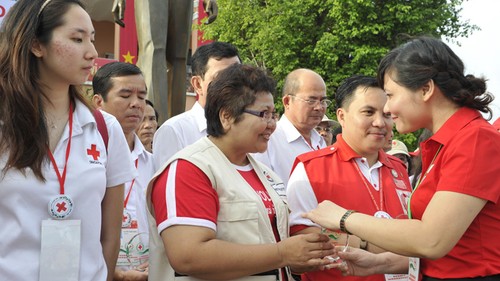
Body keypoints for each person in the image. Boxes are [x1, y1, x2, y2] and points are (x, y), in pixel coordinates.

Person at [303, 36, 500, 280]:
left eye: (391, 96)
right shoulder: (443, 144)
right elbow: (451, 249)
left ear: (426, 89)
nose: (387, 110)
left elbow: (432, 240)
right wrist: (378, 262)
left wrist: (344, 218)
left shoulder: (474, 138)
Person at [146, 64, 335, 280]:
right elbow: (188, 255)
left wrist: (303, 256)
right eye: (263, 114)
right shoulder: (189, 170)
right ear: (226, 116)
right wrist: (282, 254)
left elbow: (272, 247)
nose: (272, 124)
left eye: (273, 114)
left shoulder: (265, 175)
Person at [0, 1, 136, 281]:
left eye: (93, 39)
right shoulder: (5, 126)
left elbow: (110, 237)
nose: (93, 53)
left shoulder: (105, 128)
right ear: (36, 45)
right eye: (77, 39)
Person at [287, 75, 413, 281]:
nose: (380, 122)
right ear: (342, 116)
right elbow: (303, 238)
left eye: (387, 114)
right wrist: (367, 244)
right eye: (368, 112)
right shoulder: (310, 168)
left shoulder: (399, 169)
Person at [93, 62, 156, 281]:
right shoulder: (86, 161)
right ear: (99, 102)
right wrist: (112, 272)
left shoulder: (155, 164)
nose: (136, 104)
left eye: (141, 96)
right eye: (126, 95)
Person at [152, 41, 241, 168]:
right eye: (221, 77)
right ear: (198, 84)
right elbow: (171, 185)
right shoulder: (175, 131)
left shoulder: (253, 127)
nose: (233, 83)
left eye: (238, 76)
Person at [253, 68, 328, 190]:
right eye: (311, 100)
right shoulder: (268, 140)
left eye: (323, 101)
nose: (319, 107)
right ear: (287, 102)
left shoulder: (320, 141)